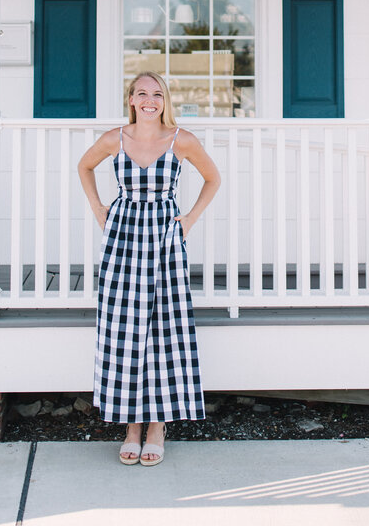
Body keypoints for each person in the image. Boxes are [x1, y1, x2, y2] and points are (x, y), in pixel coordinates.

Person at [77, 71, 221, 466]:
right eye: (142, 93)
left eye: (157, 94)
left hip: (163, 240)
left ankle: (157, 424)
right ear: (131, 99)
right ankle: (131, 426)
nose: (149, 100)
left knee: (162, 329)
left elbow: (213, 179)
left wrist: (189, 219)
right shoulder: (114, 138)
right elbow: (84, 167)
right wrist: (98, 208)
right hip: (123, 238)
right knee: (124, 329)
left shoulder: (181, 140)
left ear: (165, 101)